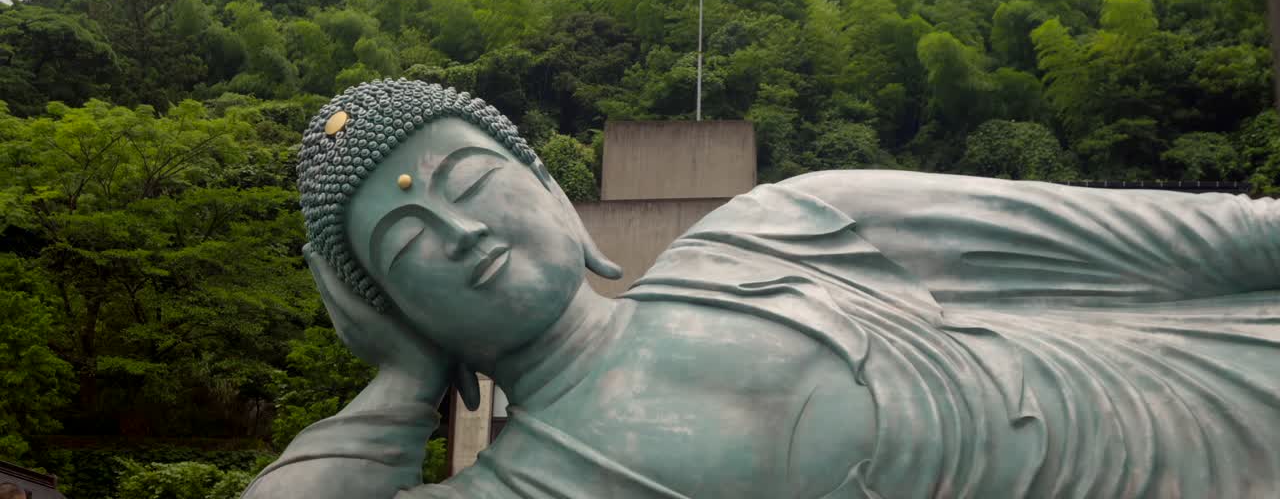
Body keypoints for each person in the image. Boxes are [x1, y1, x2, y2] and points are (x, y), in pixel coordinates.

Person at [242, 80, 1280, 499]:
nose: (461, 232)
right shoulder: (522, 489)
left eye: (471, 183)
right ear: (383, 306)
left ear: (554, 192)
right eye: (407, 245)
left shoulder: (785, 229)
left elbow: (1184, 241)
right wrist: (396, 386)